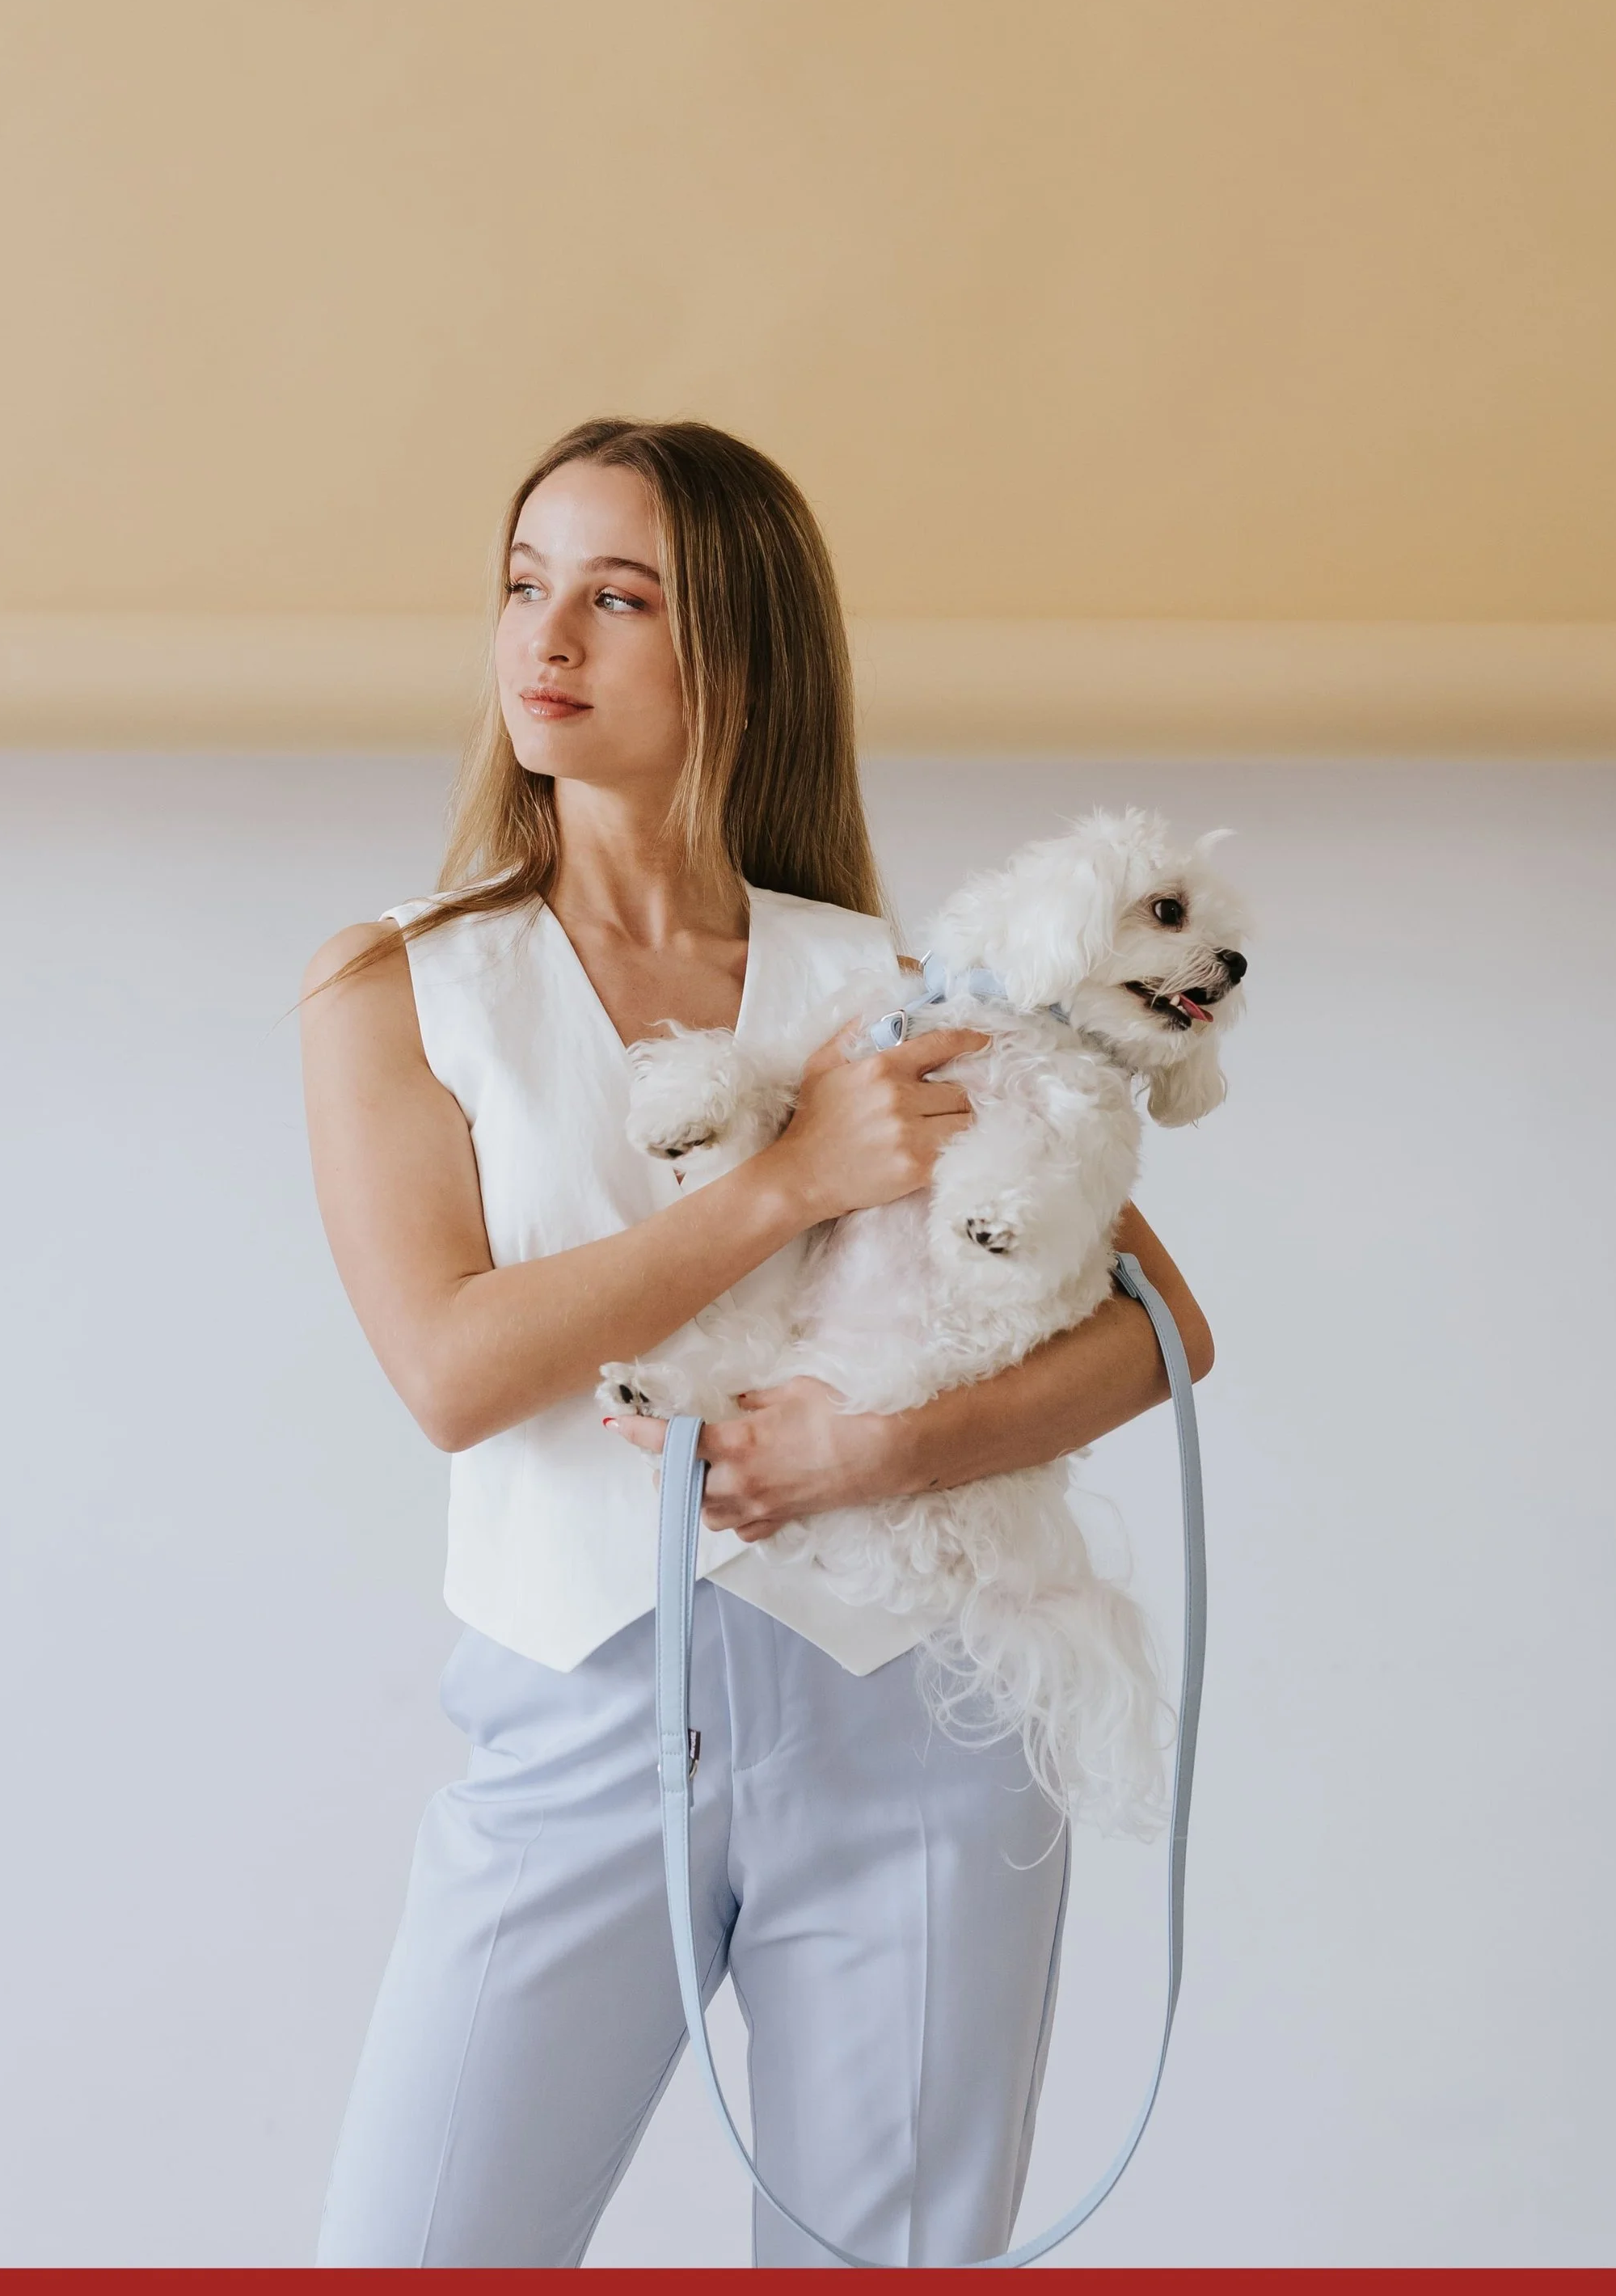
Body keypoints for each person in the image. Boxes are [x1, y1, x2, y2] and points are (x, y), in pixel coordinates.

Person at [299, 416, 1215, 2269]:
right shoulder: (401, 981)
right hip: (578, 1719)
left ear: (735, 645)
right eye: (523, 584)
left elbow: (1160, 1330)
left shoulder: (886, 979)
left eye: (617, 597)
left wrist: (879, 1450)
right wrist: (790, 1178)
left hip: (922, 1728)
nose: (546, 636)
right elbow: (452, 1370)